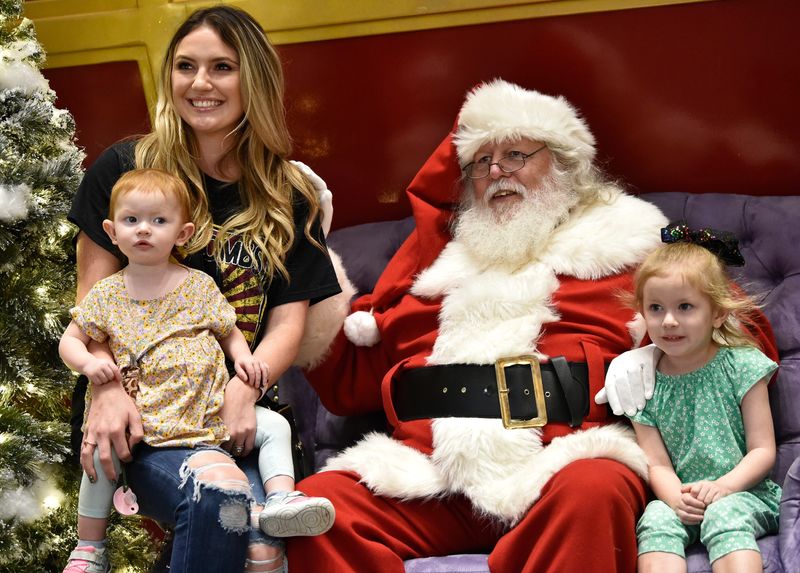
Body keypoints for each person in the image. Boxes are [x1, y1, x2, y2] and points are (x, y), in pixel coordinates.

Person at [287, 79, 778, 572]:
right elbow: (349, 384)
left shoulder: (630, 249)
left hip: (561, 466)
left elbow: (740, 327)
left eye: (517, 154)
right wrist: (306, 253)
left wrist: (656, 353)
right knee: (316, 509)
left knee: (594, 490)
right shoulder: (433, 275)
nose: (497, 171)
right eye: (481, 162)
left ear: (565, 165)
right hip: (431, 476)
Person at [66, 6, 341, 573]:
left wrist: (245, 390)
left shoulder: (289, 194)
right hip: (141, 415)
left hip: (238, 411)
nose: (200, 83)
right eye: (185, 66)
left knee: (262, 548)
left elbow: (287, 323)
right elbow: (90, 304)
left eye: (222, 67)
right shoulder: (126, 170)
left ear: (254, 80)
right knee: (219, 501)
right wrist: (108, 391)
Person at [60, 169, 335, 573]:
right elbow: (70, 340)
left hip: (211, 410)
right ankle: (90, 545)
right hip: (151, 418)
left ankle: (281, 498)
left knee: (275, 426)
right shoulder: (107, 294)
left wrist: (244, 361)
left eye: (159, 221)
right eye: (131, 220)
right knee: (102, 458)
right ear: (111, 230)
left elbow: (228, 330)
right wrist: (92, 364)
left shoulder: (199, 285)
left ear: (184, 234)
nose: (144, 231)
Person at [621, 223, 780, 572]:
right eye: (656, 308)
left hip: (743, 491)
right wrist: (675, 499)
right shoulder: (642, 382)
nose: (669, 321)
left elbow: (762, 450)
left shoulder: (741, 365)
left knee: (724, 514)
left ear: (718, 314)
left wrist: (724, 487)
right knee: (656, 519)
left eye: (685, 307)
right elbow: (657, 462)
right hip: (681, 495)